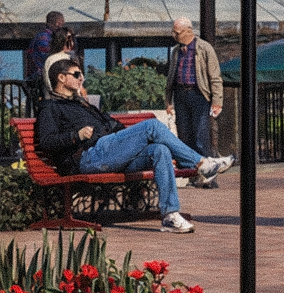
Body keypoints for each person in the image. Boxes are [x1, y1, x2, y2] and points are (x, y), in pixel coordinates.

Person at [36, 59, 233, 234]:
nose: (82, 79)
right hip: (90, 156)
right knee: (152, 126)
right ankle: (201, 163)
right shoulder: (50, 107)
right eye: (77, 74)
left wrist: (126, 137)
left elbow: (113, 125)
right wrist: (75, 135)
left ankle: (170, 215)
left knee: (160, 150)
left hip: (112, 153)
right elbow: (47, 141)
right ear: (61, 78)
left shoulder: (81, 103)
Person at [165, 17, 223, 185]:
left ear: (188, 31)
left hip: (199, 96)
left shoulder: (204, 48)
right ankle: (192, 176)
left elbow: (215, 77)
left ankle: (209, 178)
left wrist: (217, 100)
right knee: (184, 137)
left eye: (177, 32)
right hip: (181, 95)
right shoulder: (176, 51)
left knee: (201, 137)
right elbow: (171, 77)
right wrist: (168, 101)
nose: (174, 35)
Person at [26, 12, 66, 109]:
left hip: (44, 79)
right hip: (40, 80)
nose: (62, 26)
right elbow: (50, 60)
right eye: (61, 23)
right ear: (56, 23)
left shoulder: (45, 37)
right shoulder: (44, 38)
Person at [42, 28, 79, 96]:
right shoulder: (58, 59)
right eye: (69, 40)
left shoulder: (67, 57)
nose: (72, 43)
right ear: (61, 41)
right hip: (61, 99)